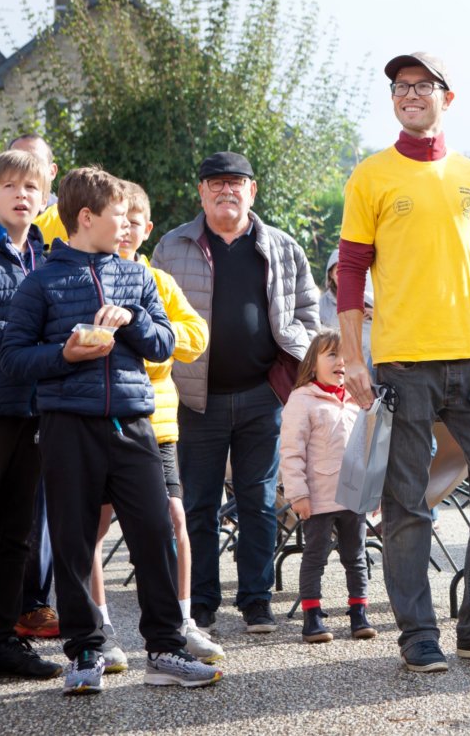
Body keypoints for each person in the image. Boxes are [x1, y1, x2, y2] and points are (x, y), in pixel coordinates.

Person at [337, 51, 470, 672]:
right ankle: (418, 633)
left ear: (447, 98)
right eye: (401, 86)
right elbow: (350, 271)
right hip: (403, 365)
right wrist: (352, 356)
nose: (410, 94)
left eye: (422, 85)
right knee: (406, 502)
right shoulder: (370, 175)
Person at [1, 167, 222, 694]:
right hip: (66, 426)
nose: (126, 226)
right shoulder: (41, 282)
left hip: (133, 423)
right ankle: (85, 653)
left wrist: (135, 321)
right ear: (86, 218)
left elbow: (165, 344)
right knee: (74, 544)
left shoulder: (138, 276)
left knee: (155, 534)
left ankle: (165, 650)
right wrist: (66, 354)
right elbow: (13, 359)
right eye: (118, 216)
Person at [152, 151, 319, 634]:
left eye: (236, 182)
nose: (227, 190)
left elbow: (308, 313)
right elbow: (155, 313)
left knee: (259, 502)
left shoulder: (283, 246)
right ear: (201, 192)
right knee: (198, 504)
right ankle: (202, 599)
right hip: (194, 399)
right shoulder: (172, 246)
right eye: (216, 183)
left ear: (252, 190)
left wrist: (296, 361)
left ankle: (256, 601)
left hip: (262, 395)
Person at [87, 182, 224, 667]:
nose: (125, 231)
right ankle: (101, 628)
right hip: (100, 417)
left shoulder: (158, 281)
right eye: (118, 221)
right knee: (95, 526)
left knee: (174, 519)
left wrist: (147, 335)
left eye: (134, 223)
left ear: (146, 229)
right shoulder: (89, 275)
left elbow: (195, 336)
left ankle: (183, 622)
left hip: (156, 422)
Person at [0, 150, 62, 686]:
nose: (21, 195)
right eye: (10, 186)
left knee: (17, 536)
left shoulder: (49, 259)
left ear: (43, 198)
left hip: (35, 410)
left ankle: (2, 643)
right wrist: (22, 333)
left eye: (30, 187)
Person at [279, 330, 377, 644]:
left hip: (353, 496)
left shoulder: (357, 401)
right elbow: (291, 451)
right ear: (312, 363)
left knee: (356, 556)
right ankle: (312, 616)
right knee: (315, 556)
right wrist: (298, 494)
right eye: (332, 355)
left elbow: (368, 449)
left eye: (345, 355)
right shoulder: (302, 400)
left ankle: (359, 612)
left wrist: (372, 491)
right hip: (318, 497)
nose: (341, 362)